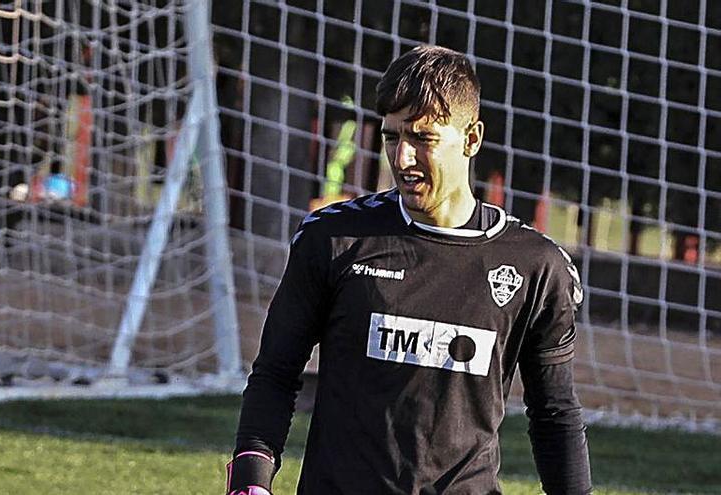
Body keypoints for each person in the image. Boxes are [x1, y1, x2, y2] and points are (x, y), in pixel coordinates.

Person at [226, 44, 591, 495]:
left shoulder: (536, 266)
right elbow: (276, 374)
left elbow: (555, 413)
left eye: (423, 138)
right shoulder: (335, 239)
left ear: (472, 139)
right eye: (392, 137)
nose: (402, 159)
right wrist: (251, 482)